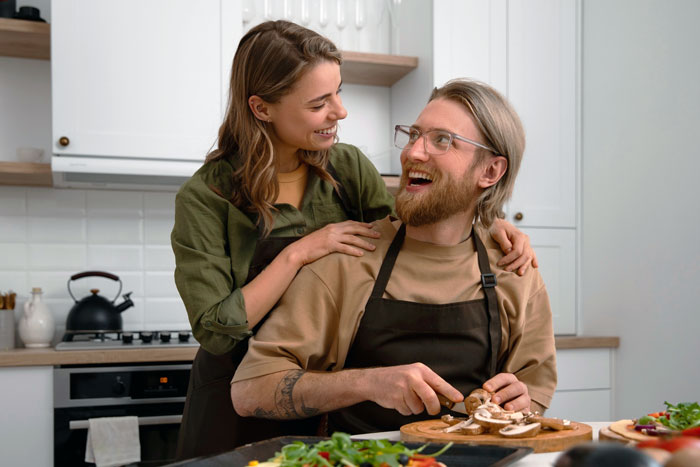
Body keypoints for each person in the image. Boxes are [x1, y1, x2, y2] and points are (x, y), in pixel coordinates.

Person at [172, 21, 536, 458]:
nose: (340, 112)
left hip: (321, 391)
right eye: (319, 102)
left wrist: (488, 217)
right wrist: (298, 254)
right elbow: (216, 330)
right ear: (262, 107)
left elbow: (411, 224)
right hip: (235, 393)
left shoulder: (344, 167)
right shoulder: (206, 197)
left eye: (338, 92)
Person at [229, 78, 557, 435]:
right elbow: (249, 391)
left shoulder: (515, 267)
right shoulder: (347, 260)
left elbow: (534, 392)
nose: (413, 153)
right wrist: (367, 383)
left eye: (442, 140)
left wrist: (521, 402)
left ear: (490, 171)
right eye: (414, 135)